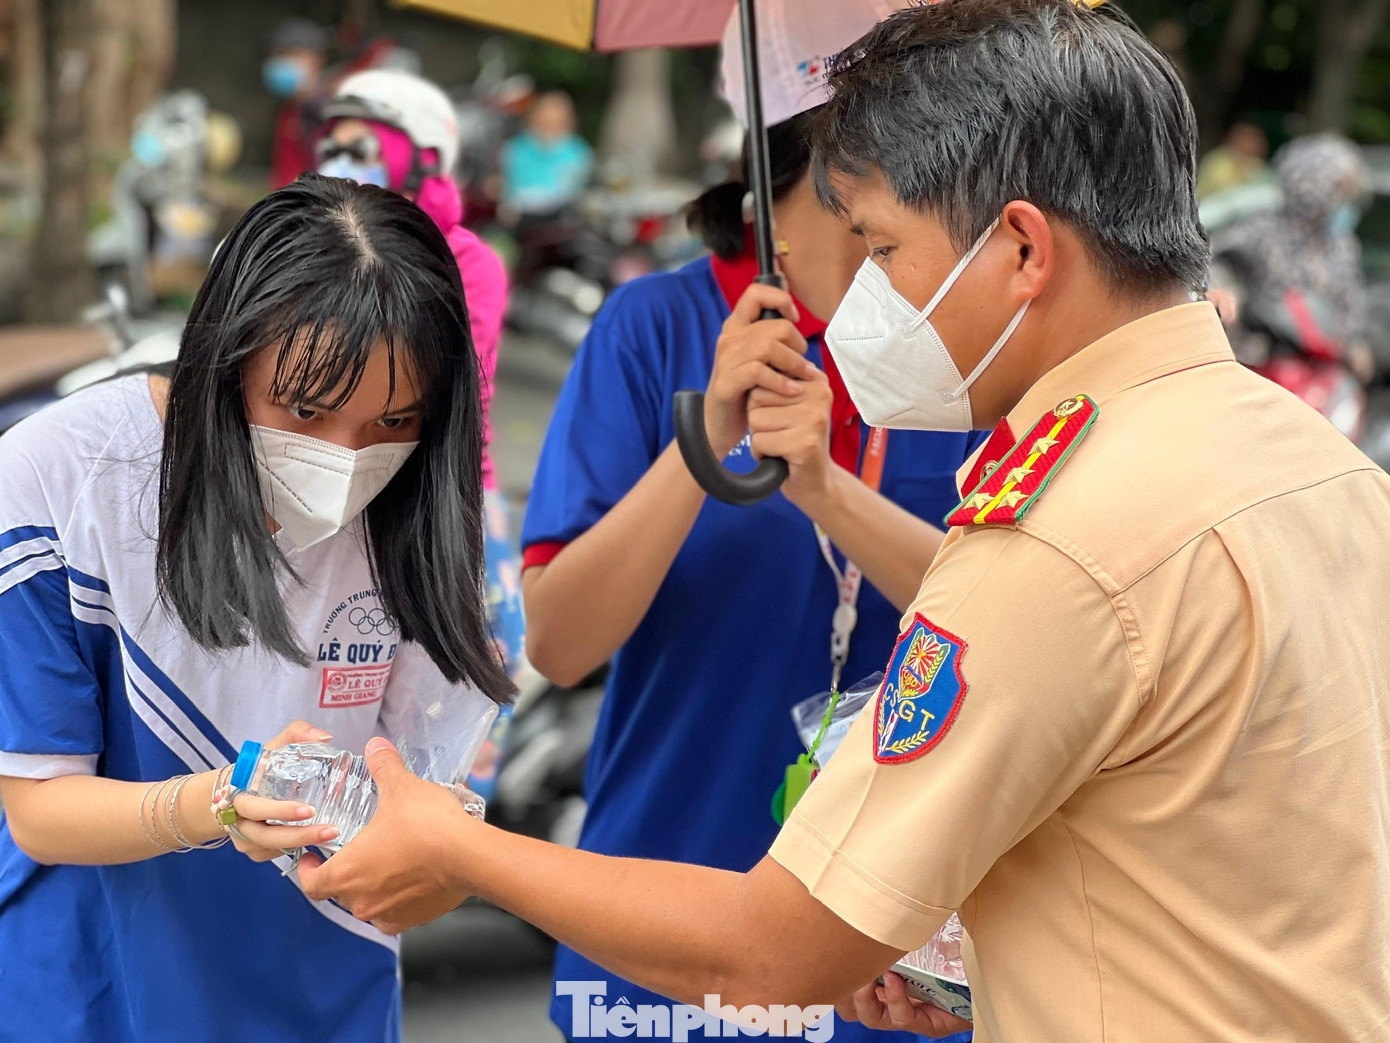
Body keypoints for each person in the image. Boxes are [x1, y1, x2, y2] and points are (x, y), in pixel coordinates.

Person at [301, 2, 1390, 1041]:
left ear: (1019, 249)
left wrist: (460, 847)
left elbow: (769, 954)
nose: (867, 299)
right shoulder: (1320, 463)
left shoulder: (1058, 534)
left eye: (883, 249)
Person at [493, 4, 976, 1040]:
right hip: (657, 925)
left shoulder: (966, 344)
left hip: (894, 954)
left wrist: (828, 494)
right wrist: (704, 439)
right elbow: (560, 639)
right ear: (832, 151)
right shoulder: (653, 327)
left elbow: (1008, 618)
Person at [0, 175, 511, 1041]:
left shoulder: (421, 503)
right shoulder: (60, 478)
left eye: (394, 420)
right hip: (98, 985)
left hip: (325, 975)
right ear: (224, 355)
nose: (346, 458)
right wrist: (223, 801)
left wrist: (443, 845)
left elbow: (431, 775)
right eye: (304, 410)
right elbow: (42, 809)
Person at [316, 69, 525, 689]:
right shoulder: (311, 243)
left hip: (438, 491)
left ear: (423, 156)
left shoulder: (468, 264)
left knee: (462, 687)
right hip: (321, 476)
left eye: (363, 146)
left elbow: (451, 395)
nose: (341, 159)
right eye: (333, 144)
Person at [1211, 132, 1376, 381]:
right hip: (1257, 364)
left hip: (1322, 371)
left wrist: (1355, 344)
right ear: (1314, 185)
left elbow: (1349, 303)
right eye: (1340, 189)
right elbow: (1214, 265)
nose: (1346, 200)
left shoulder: (1342, 246)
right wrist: (1225, 292)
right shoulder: (1263, 232)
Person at [499, 90, 594, 220]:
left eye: (556, 123)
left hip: (560, 214)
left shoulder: (577, 149)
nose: (549, 128)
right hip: (523, 213)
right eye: (545, 122)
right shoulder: (517, 147)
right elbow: (510, 184)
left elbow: (577, 185)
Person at [265, 18, 330, 189]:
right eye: (280, 55)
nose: (285, 62)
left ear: (318, 60)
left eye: (294, 55)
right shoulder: (289, 109)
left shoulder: (325, 112)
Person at [1196, 120, 1273, 199]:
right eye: (1246, 136)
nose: (1254, 143)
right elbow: (1222, 191)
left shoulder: (1258, 165)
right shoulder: (1217, 161)